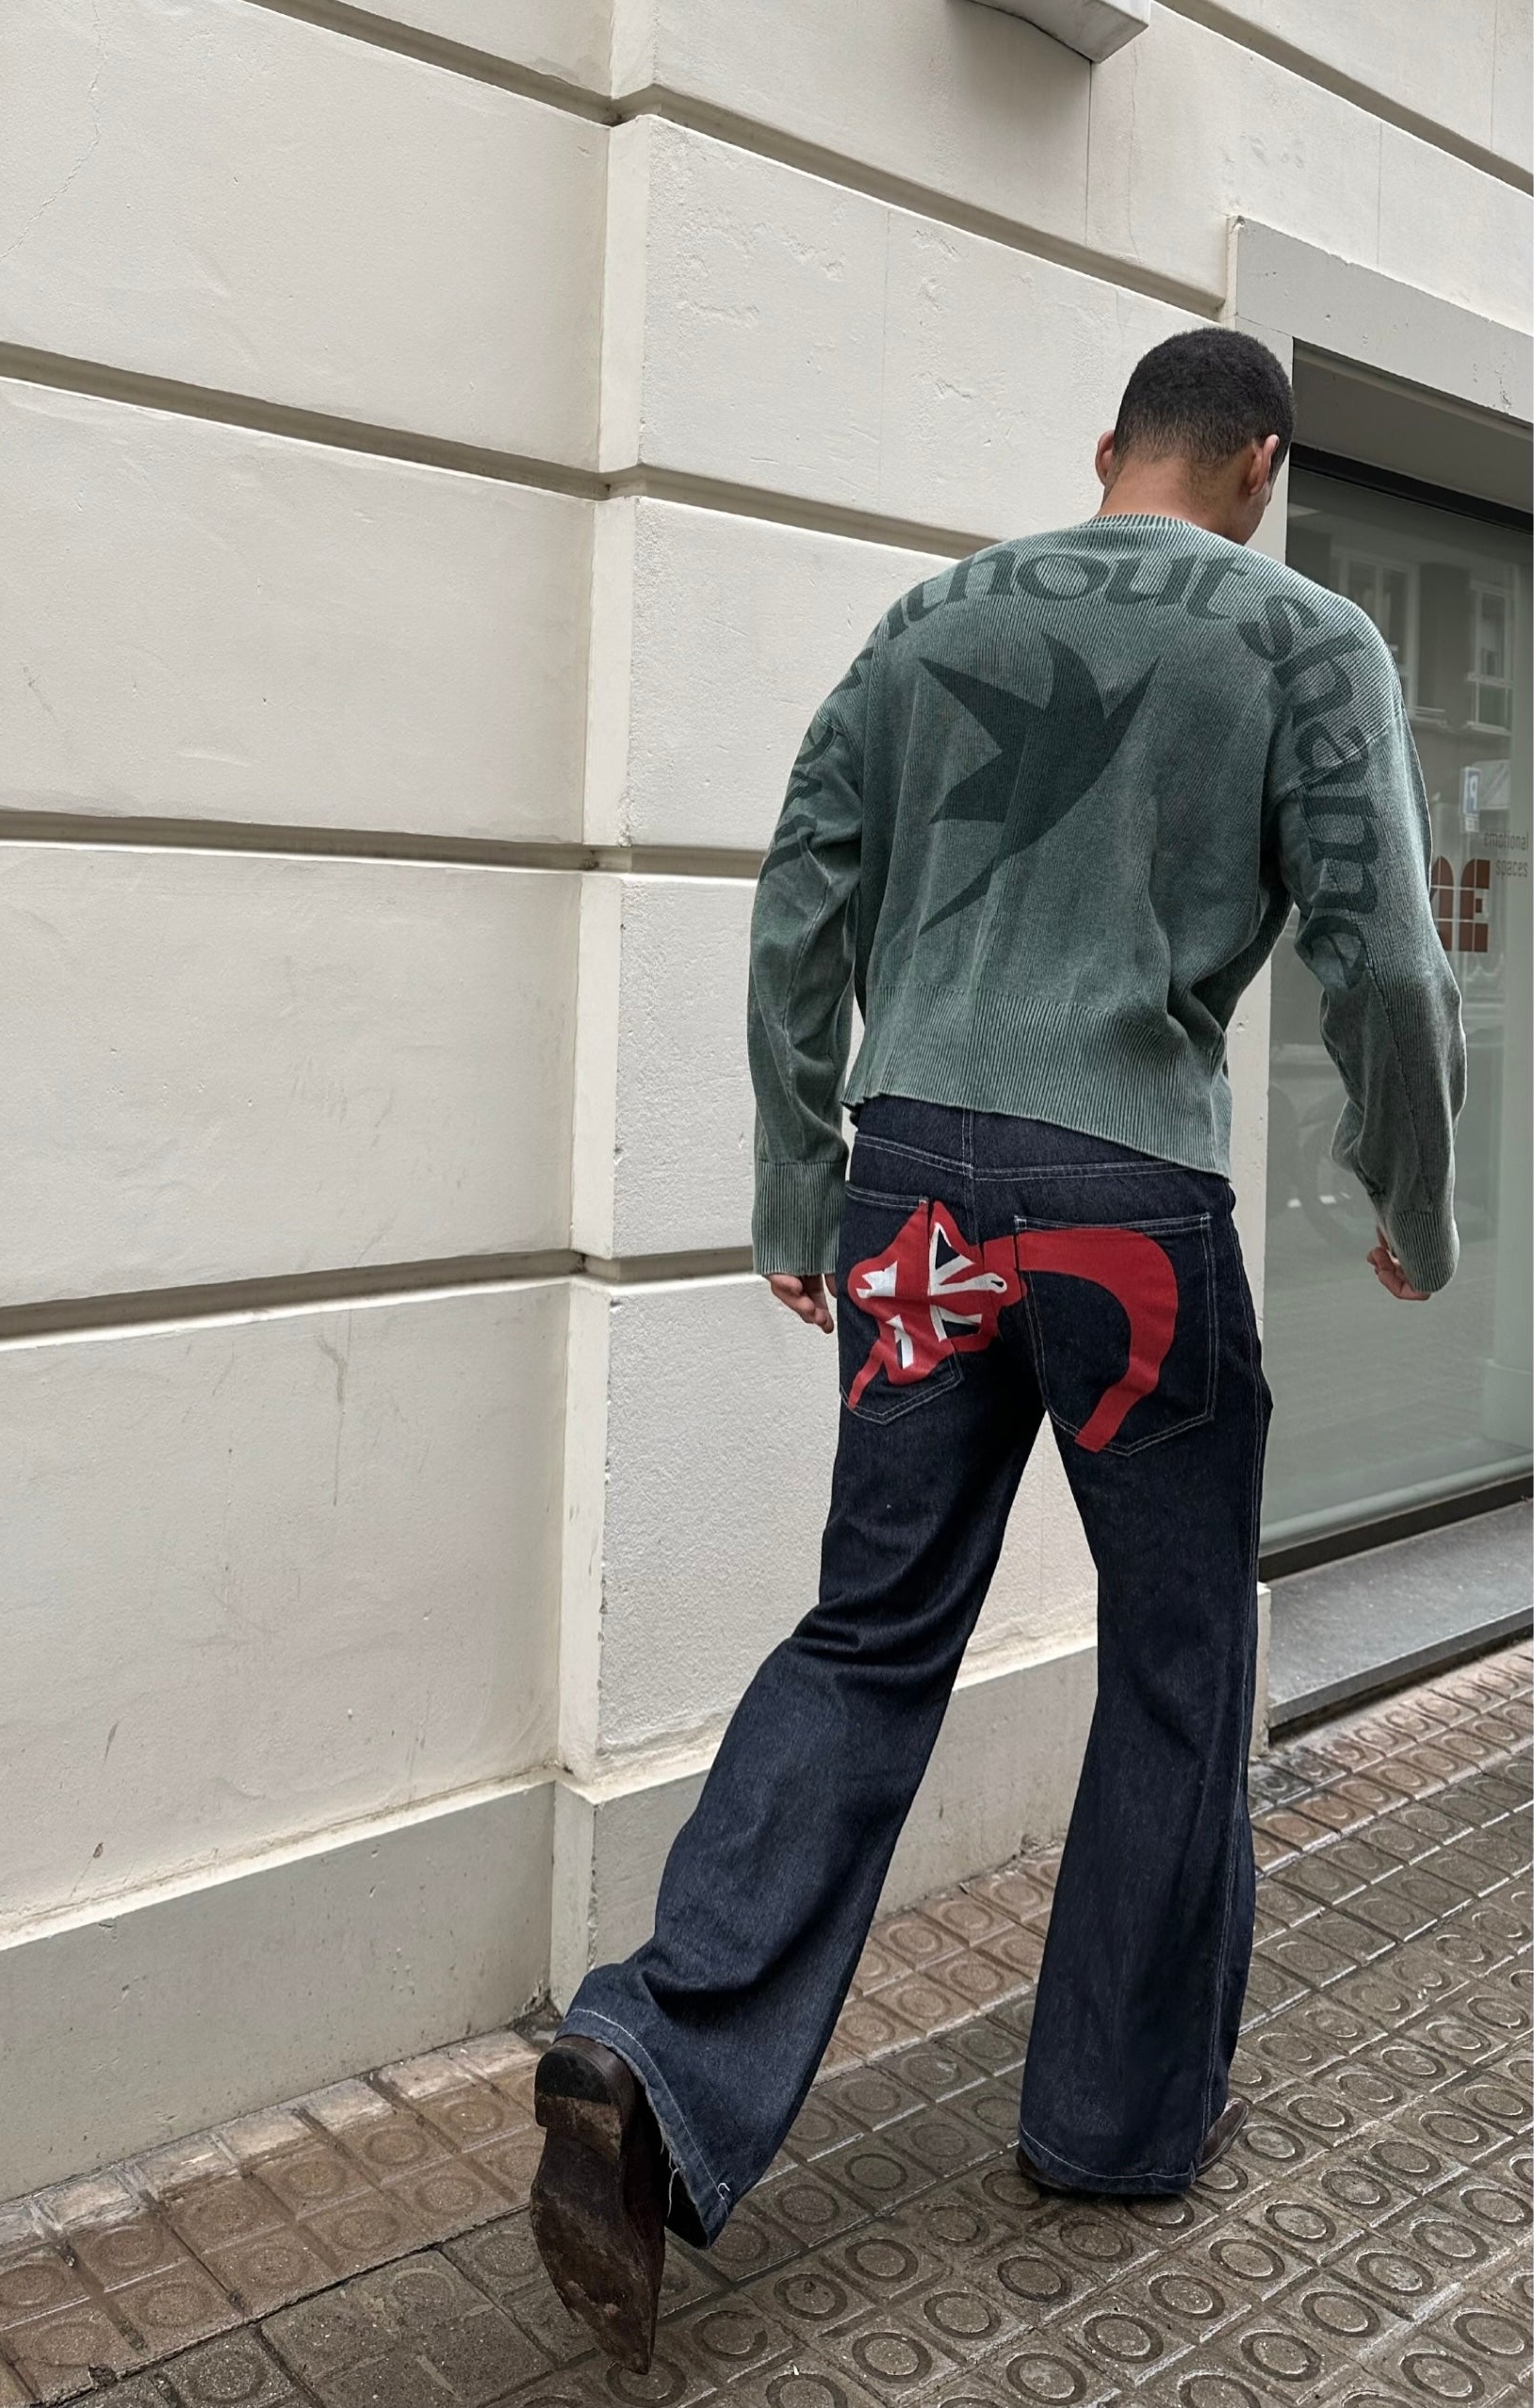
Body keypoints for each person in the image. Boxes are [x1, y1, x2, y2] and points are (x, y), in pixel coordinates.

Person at [527, 328, 1465, 2370]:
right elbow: (1387, 954)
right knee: (1179, 1656)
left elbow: (800, 902)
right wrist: (1412, 1190)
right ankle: (1113, 2128)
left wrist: (798, 1182)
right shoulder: (1306, 641)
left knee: (873, 1631)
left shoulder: (925, 621)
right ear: (1261, 466)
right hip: (1127, 1213)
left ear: (1109, 448)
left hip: (919, 1200)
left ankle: (650, 2050)